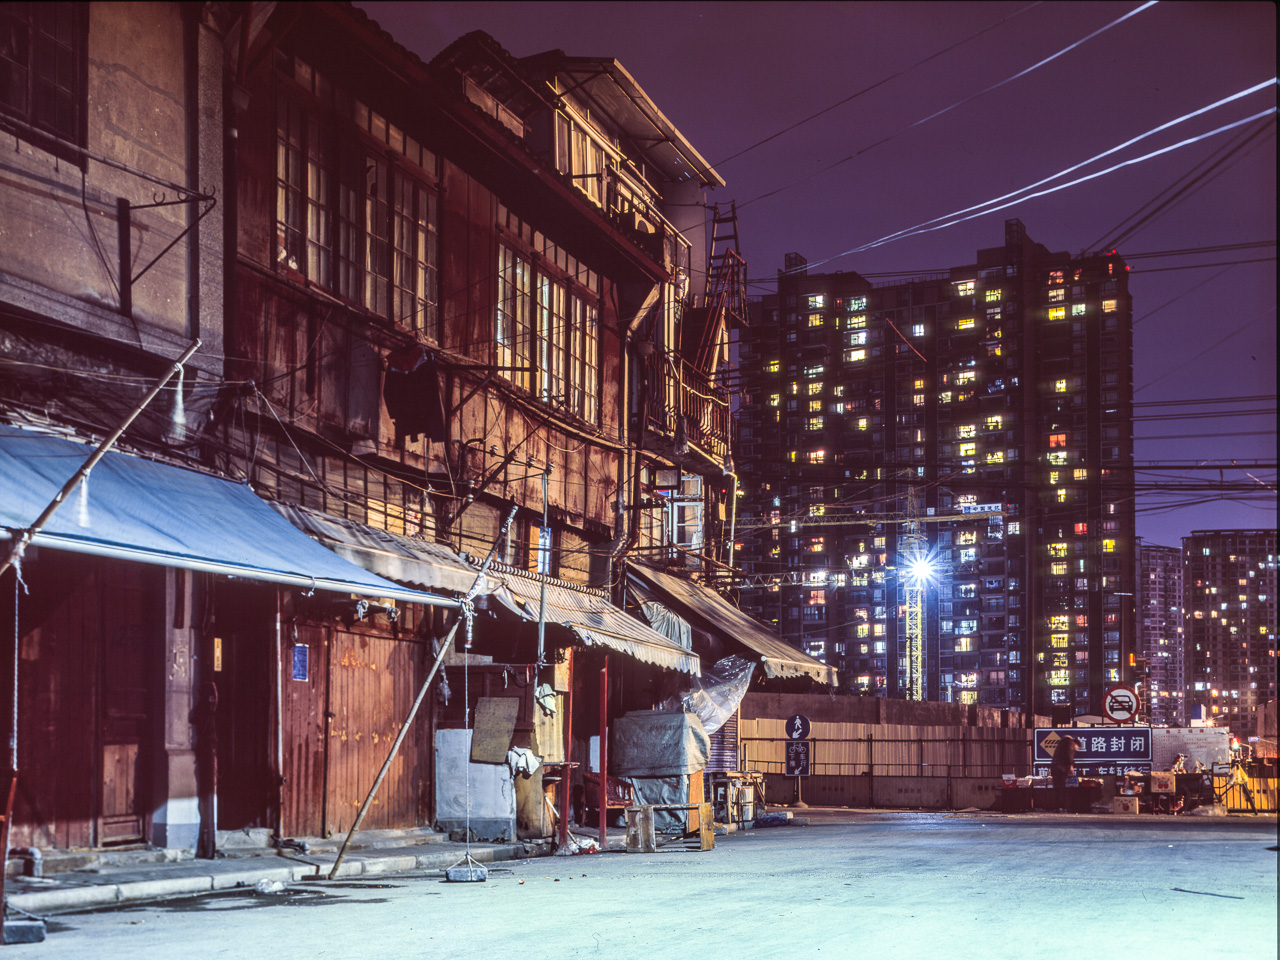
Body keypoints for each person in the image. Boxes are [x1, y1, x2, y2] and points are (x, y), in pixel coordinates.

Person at [1050, 735, 1080, 812]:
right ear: (1076, 744)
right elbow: (1069, 754)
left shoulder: (1062, 743)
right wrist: (1071, 765)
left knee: (1056, 788)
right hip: (1061, 769)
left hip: (1055, 768)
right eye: (1076, 748)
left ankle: (1056, 807)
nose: (1075, 750)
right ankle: (1061, 807)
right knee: (1061, 788)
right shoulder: (1070, 743)